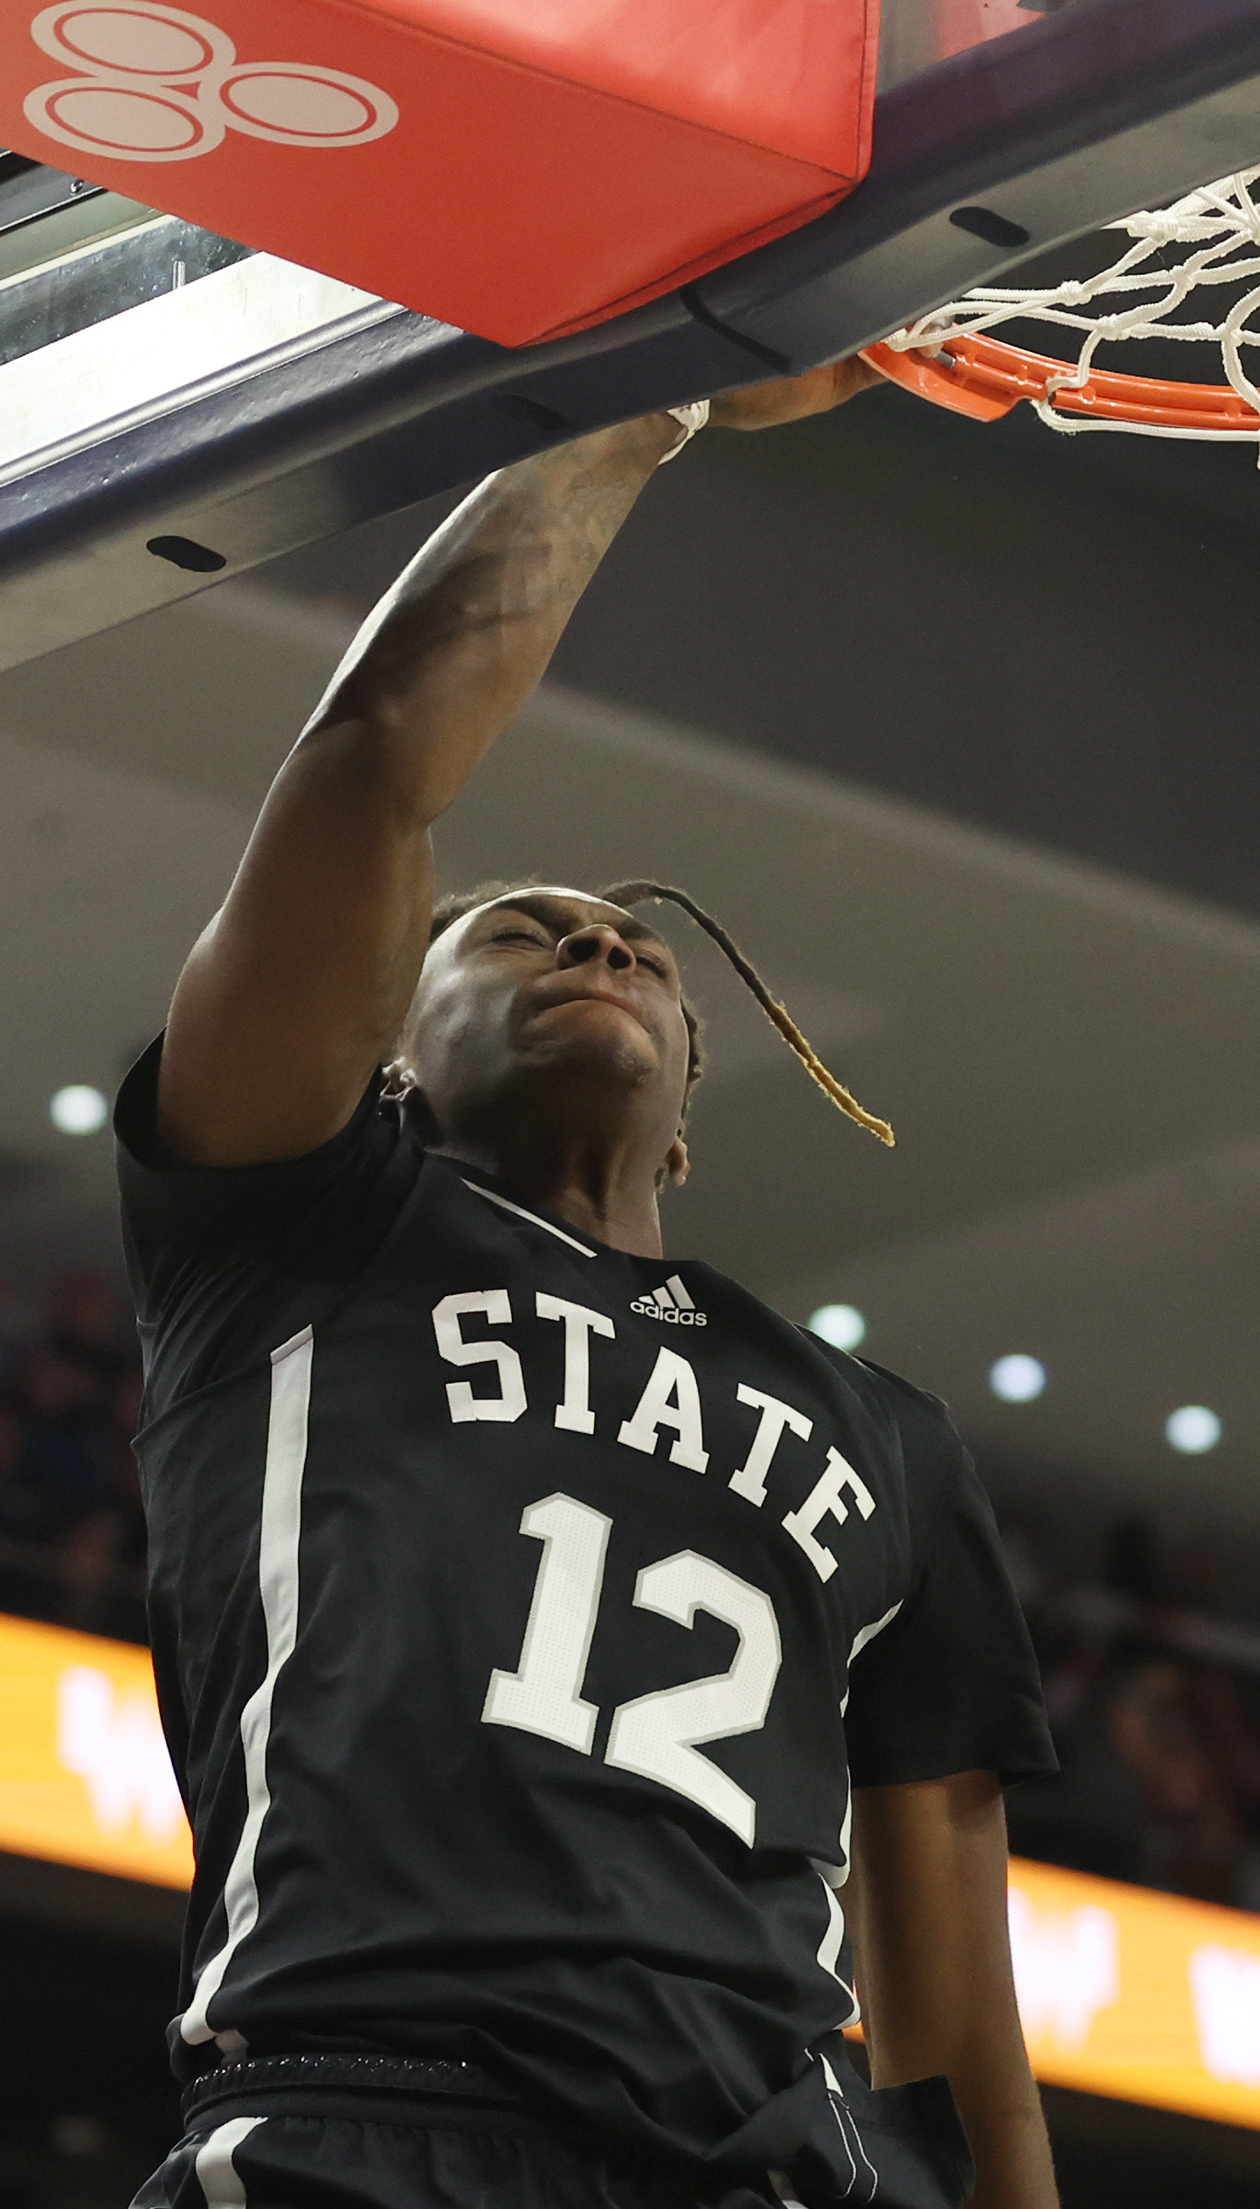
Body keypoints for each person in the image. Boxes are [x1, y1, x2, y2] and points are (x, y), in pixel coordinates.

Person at [120, 365, 1061, 2209]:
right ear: (389, 1055)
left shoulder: (889, 1442)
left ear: (693, 1121)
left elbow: (960, 2023)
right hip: (364, 2123)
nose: (604, 938)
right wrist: (650, 403)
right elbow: (374, 764)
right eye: (521, 931)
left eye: (638, 951)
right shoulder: (298, 1234)